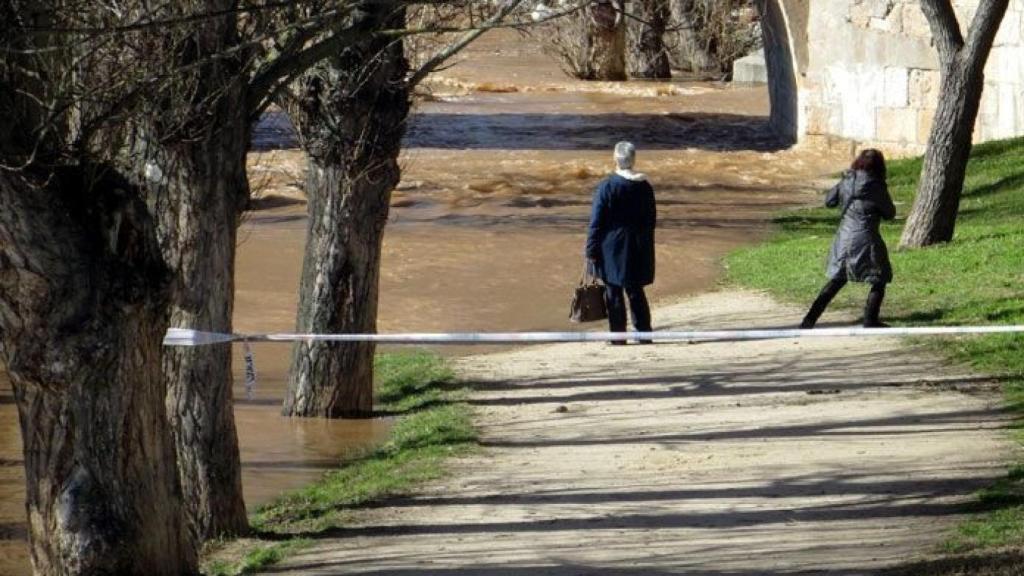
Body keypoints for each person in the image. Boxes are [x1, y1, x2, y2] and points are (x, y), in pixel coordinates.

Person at [801, 148, 896, 329]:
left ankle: (808, 320)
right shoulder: (876, 185)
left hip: (844, 239)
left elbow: (829, 201)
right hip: (867, 238)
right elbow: (890, 213)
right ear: (879, 166)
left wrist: (843, 184)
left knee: (837, 279)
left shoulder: (847, 180)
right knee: (880, 277)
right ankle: (870, 320)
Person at [586, 141, 657, 344]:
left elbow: (596, 221)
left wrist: (591, 249)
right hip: (639, 244)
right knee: (636, 290)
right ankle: (644, 334)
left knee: (613, 291)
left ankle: (618, 337)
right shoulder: (645, 186)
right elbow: (651, 219)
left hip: (612, 246)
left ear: (615, 160)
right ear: (633, 160)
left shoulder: (607, 186)